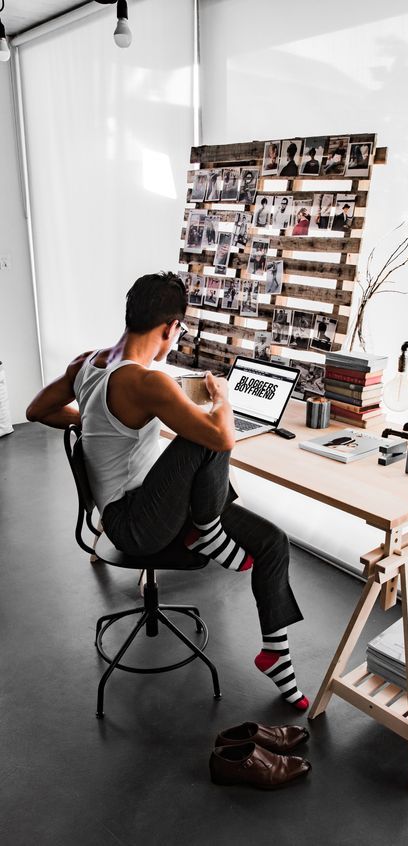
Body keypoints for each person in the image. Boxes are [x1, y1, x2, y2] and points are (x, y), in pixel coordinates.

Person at [26, 272, 308, 711]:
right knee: (207, 437)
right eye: (179, 332)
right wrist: (222, 398)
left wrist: (93, 425)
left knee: (273, 542)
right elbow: (222, 439)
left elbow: (36, 409)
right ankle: (209, 530)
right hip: (137, 525)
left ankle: (276, 654)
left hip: (148, 509)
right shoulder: (146, 382)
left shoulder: (88, 363)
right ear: (170, 328)